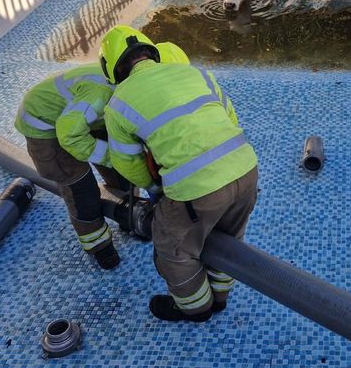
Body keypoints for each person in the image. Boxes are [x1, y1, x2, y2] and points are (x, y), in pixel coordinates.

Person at [100, 25, 258, 322]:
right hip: (246, 169)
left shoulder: (118, 102)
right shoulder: (196, 73)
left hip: (195, 189)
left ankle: (195, 308)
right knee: (230, 238)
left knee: (173, 248)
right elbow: (230, 118)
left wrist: (156, 189)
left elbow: (125, 163)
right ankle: (220, 298)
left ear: (111, 67)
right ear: (152, 52)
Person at [15, 42, 190, 270]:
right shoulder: (102, 91)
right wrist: (112, 156)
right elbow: (68, 133)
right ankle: (99, 246)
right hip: (47, 125)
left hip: (90, 115)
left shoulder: (135, 85)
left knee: (123, 172)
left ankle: (129, 217)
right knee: (81, 188)